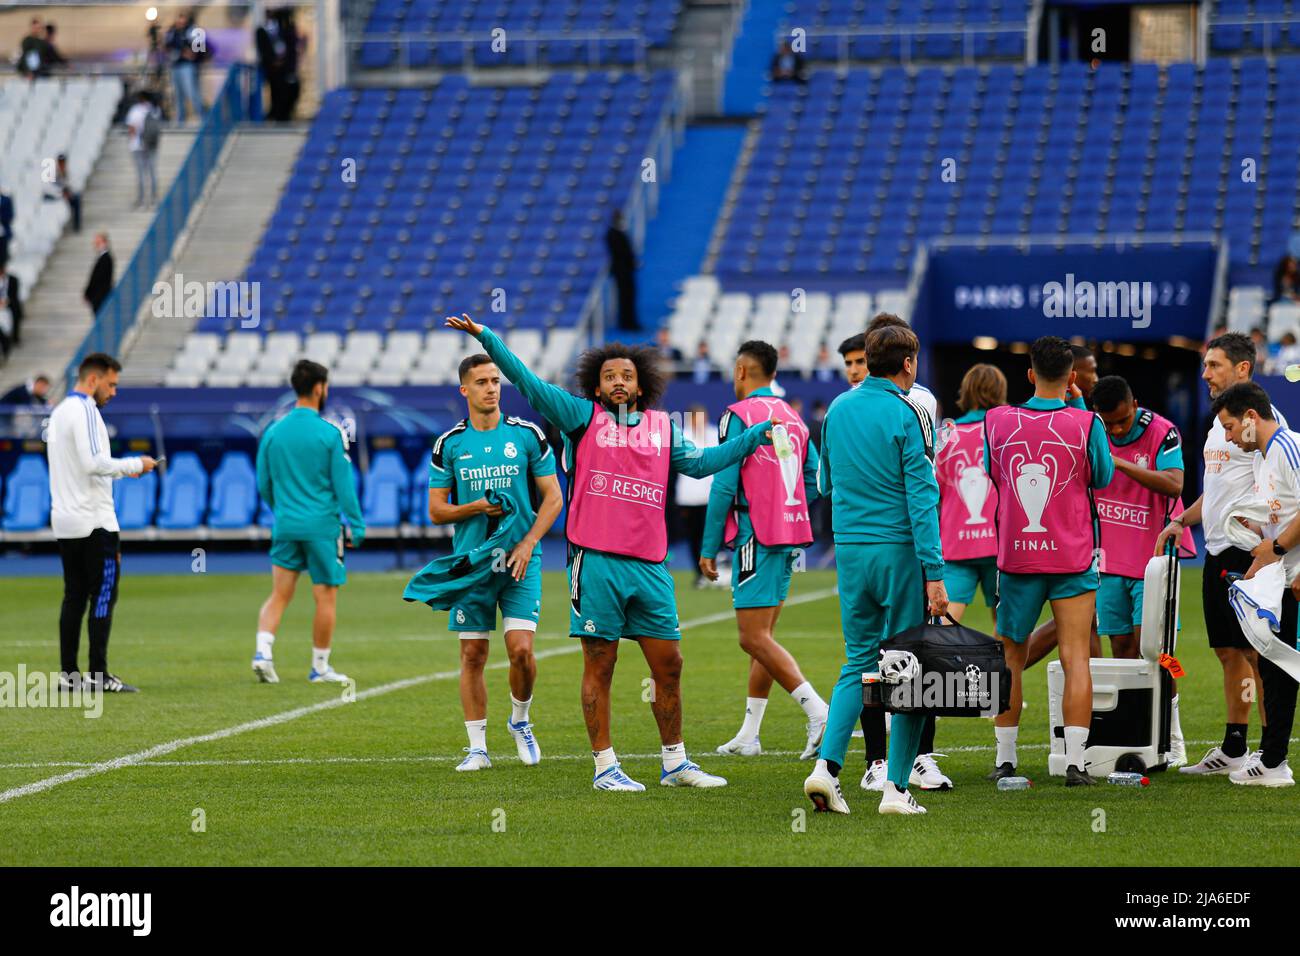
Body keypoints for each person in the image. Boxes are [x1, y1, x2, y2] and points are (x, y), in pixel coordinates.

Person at [445, 311, 778, 792]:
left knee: (670, 664)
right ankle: (605, 767)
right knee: (600, 664)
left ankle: (675, 763)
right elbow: (527, 379)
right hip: (595, 562)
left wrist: (752, 438)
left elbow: (704, 464)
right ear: (596, 388)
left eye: (627, 376)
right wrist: (485, 337)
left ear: (641, 386)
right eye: (609, 377)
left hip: (651, 566)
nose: (618, 382)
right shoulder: (582, 418)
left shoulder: (663, 429)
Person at [802, 323, 947, 815]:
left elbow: (824, 482)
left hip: (852, 552)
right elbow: (922, 497)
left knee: (857, 662)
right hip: (900, 552)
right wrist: (935, 571)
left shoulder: (838, 408)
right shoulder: (911, 413)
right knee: (908, 670)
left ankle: (826, 771)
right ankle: (896, 791)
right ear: (908, 363)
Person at [984, 335, 1114, 786]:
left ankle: (1005, 761)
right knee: (1077, 657)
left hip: (1017, 556)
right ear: (1073, 378)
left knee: (1009, 659)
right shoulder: (1087, 422)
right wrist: (1079, 411)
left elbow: (994, 472)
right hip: (1073, 555)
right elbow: (1102, 476)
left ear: (1029, 374)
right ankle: (1076, 764)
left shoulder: (997, 420)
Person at [424, 354, 562, 771]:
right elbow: (436, 510)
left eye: (496, 381)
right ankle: (477, 749)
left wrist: (529, 542)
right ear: (464, 390)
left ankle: (520, 720)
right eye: (481, 382)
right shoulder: (450, 444)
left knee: (520, 651)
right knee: (472, 655)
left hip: (521, 559)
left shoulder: (527, 436)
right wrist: (477, 507)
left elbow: (554, 498)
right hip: (473, 563)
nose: (491, 388)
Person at [1155, 333, 1281, 775]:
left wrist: (1269, 543)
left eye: (1214, 365)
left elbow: (1278, 488)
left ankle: (1271, 753)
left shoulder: (1262, 423)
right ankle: (1234, 747)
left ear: (1242, 369)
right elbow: (1217, 493)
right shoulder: (1219, 423)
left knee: (1258, 654)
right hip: (1216, 550)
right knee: (1229, 652)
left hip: (1248, 555)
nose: (1205, 373)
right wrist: (1181, 520)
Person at [700, 340, 829, 760]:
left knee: (752, 637)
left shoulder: (738, 416)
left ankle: (818, 712)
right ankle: (750, 734)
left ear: (741, 371)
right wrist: (787, 503)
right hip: (789, 533)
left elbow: (722, 483)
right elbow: (815, 476)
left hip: (756, 535)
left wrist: (708, 546)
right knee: (764, 638)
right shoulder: (791, 414)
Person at [856, 312, 948, 790]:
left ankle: (920, 756)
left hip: (907, 543)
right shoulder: (850, 405)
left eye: (861, 360)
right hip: (875, 545)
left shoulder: (920, 403)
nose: (855, 369)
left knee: (914, 654)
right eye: (850, 362)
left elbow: (924, 481)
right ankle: (876, 760)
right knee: (874, 659)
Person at [47, 353, 156, 693]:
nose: (114, 392)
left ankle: (69, 674)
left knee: (73, 597)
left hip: (65, 520)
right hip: (94, 521)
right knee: (104, 595)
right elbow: (94, 463)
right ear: (93, 380)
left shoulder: (60, 412)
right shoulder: (85, 411)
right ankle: (98, 675)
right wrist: (134, 464)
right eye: (111, 385)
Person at [252, 360, 365, 685]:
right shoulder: (331, 433)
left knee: (279, 594)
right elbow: (344, 485)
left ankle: (263, 653)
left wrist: (283, 509)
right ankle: (319, 666)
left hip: (286, 524)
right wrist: (356, 524)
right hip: (322, 529)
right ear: (319, 388)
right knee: (325, 596)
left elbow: (263, 483)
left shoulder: (273, 432)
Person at [1212, 382, 1298, 787]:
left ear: (1250, 418)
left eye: (1230, 427)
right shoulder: (1265, 457)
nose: (1227, 436)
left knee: (1282, 667)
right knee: (1275, 666)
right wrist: (1255, 528)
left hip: (1295, 575)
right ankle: (1273, 760)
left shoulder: (1286, 447)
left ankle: (1275, 761)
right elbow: (1282, 513)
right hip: (1286, 577)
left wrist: (1275, 549)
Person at [936, 364, 1003, 628]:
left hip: (956, 542)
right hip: (999, 542)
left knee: (943, 624)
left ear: (966, 391)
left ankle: (933, 669)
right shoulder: (1006, 429)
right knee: (1007, 630)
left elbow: (935, 491)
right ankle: (1006, 672)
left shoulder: (944, 435)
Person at [675, 402, 716, 588]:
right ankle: (698, 574)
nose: (701, 421)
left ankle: (714, 571)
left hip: (710, 496)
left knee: (712, 536)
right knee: (693, 537)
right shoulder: (681, 436)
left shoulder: (714, 434)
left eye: (703, 417)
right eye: (696, 418)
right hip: (688, 498)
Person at [165, 12, 204, 123]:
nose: (180, 22)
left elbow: (196, 51)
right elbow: (167, 47)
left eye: (183, 19)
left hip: (188, 66)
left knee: (192, 92)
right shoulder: (172, 31)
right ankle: (180, 119)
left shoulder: (194, 30)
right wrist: (180, 52)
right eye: (179, 19)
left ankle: (202, 116)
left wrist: (185, 52)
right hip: (175, 66)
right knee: (178, 95)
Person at [124, 93, 159, 207]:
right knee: (152, 171)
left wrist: (132, 140)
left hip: (138, 145)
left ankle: (142, 199)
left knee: (141, 173)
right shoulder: (155, 109)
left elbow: (132, 127)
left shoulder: (135, 110)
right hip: (151, 144)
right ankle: (153, 198)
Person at [605, 211, 638, 332]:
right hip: (621, 271)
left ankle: (630, 321)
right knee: (624, 297)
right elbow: (620, 253)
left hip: (627, 270)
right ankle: (626, 323)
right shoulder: (613, 234)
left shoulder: (619, 233)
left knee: (629, 296)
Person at [43, 153, 81, 233]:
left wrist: (68, 192)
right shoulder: (52, 173)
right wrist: (61, 193)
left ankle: (76, 226)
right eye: (60, 162)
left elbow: (74, 185)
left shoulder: (69, 173)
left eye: (63, 162)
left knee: (77, 199)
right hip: (56, 196)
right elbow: (48, 188)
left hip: (67, 195)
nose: (62, 164)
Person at [83, 233, 114, 317]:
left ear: (105, 242)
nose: (96, 245)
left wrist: (88, 292)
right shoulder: (103, 258)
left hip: (101, 296)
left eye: (98, 242)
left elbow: (97, 278)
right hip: (99, 296)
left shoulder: (106, 258)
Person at [0, 254, 22, 359]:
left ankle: (14, 337)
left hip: (8, 304)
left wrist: (6, 302)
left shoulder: (13, 280)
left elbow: (14, 296)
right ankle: (5, 344)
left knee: (16, 309)